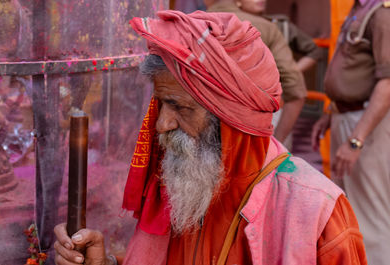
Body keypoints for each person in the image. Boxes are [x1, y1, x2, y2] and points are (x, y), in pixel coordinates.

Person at [53, 10, 367, 265]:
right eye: (160, 104)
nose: (161, 124)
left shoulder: (317, 214)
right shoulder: (182, 188)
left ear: (231, 118)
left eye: (178, 106)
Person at [311, 1, 390, 264]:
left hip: (367, 123)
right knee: (351, 212)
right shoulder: (361, 8)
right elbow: (355, 71)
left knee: (371, 217)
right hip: (350, 117)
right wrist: (331, 112)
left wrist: (356, 141)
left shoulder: (382, 13)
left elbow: (387, 84)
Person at [207, 0, 307, 149]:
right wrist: (276, 144)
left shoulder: (187, 24)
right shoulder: (265, 27)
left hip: (202, 129)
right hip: (253, 132)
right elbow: (296, 90)